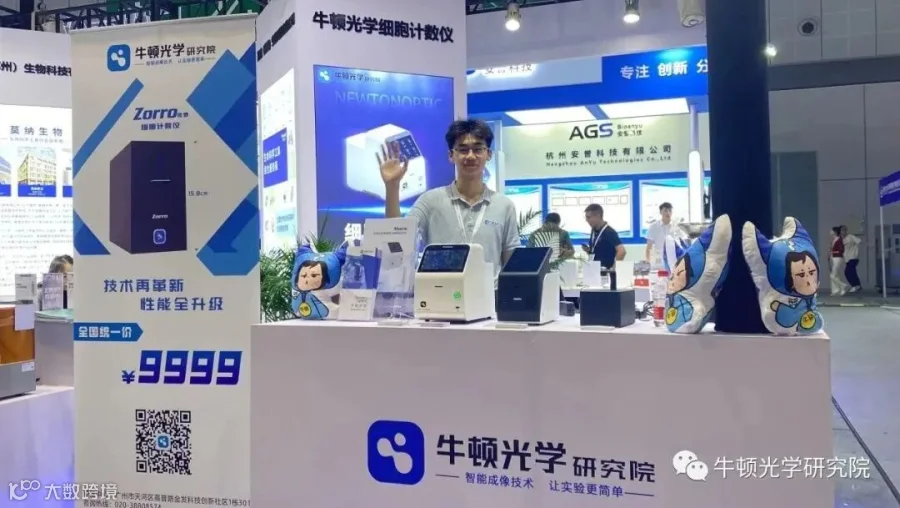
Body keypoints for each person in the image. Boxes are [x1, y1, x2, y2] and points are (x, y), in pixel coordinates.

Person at [379, 119, 519, 277]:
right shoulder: (430, 201)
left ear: (489, 154)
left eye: (478, 149)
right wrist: (392, 187)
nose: (470, 156)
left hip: (490, 291)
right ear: (451, 155)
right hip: (440, 289)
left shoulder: (504, 206)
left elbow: (511, 264)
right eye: (463, 149)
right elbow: (398, 238)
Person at [581, 204, 626, 268]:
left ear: (598, 216)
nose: (587, 220)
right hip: (595, 269)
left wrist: (613, 269)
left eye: (588, 217)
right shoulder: (594, 230)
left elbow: (622, 251)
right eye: (586, 217)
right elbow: (598, 252)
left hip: (605, 271)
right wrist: (588, 251)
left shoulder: (609, 232)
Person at [645, 202, 685, 266]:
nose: (668, 213)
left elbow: (682, 244)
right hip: (659, 260)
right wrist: (648, 261)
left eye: (670, 210)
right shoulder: (653, 227)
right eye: (665, 211)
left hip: (675, 259)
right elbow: (649, 247)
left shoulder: (677, 226)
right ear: (660, 212)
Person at [840, 225, 862, 292]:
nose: (843, 232)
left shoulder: (851, 237)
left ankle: (856, 285)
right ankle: (857, 285)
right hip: (847, 259)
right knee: (849, 272)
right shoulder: (842, 240)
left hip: (853, 257)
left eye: (844, 230)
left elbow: (859, 241)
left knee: (849, 271)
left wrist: (869, 244)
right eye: (841, 231)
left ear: (846, 231)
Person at [829, 226, 849, 296]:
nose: (830, 232)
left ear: (835, 232)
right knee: (836, 275)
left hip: (838, 258)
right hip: (834, 258)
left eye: (831, 231)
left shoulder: (839, 239)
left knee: (832, 275)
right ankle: (838, 290)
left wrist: (832, 252)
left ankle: (842, 285)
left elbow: (841, 250)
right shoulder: (834, 239)